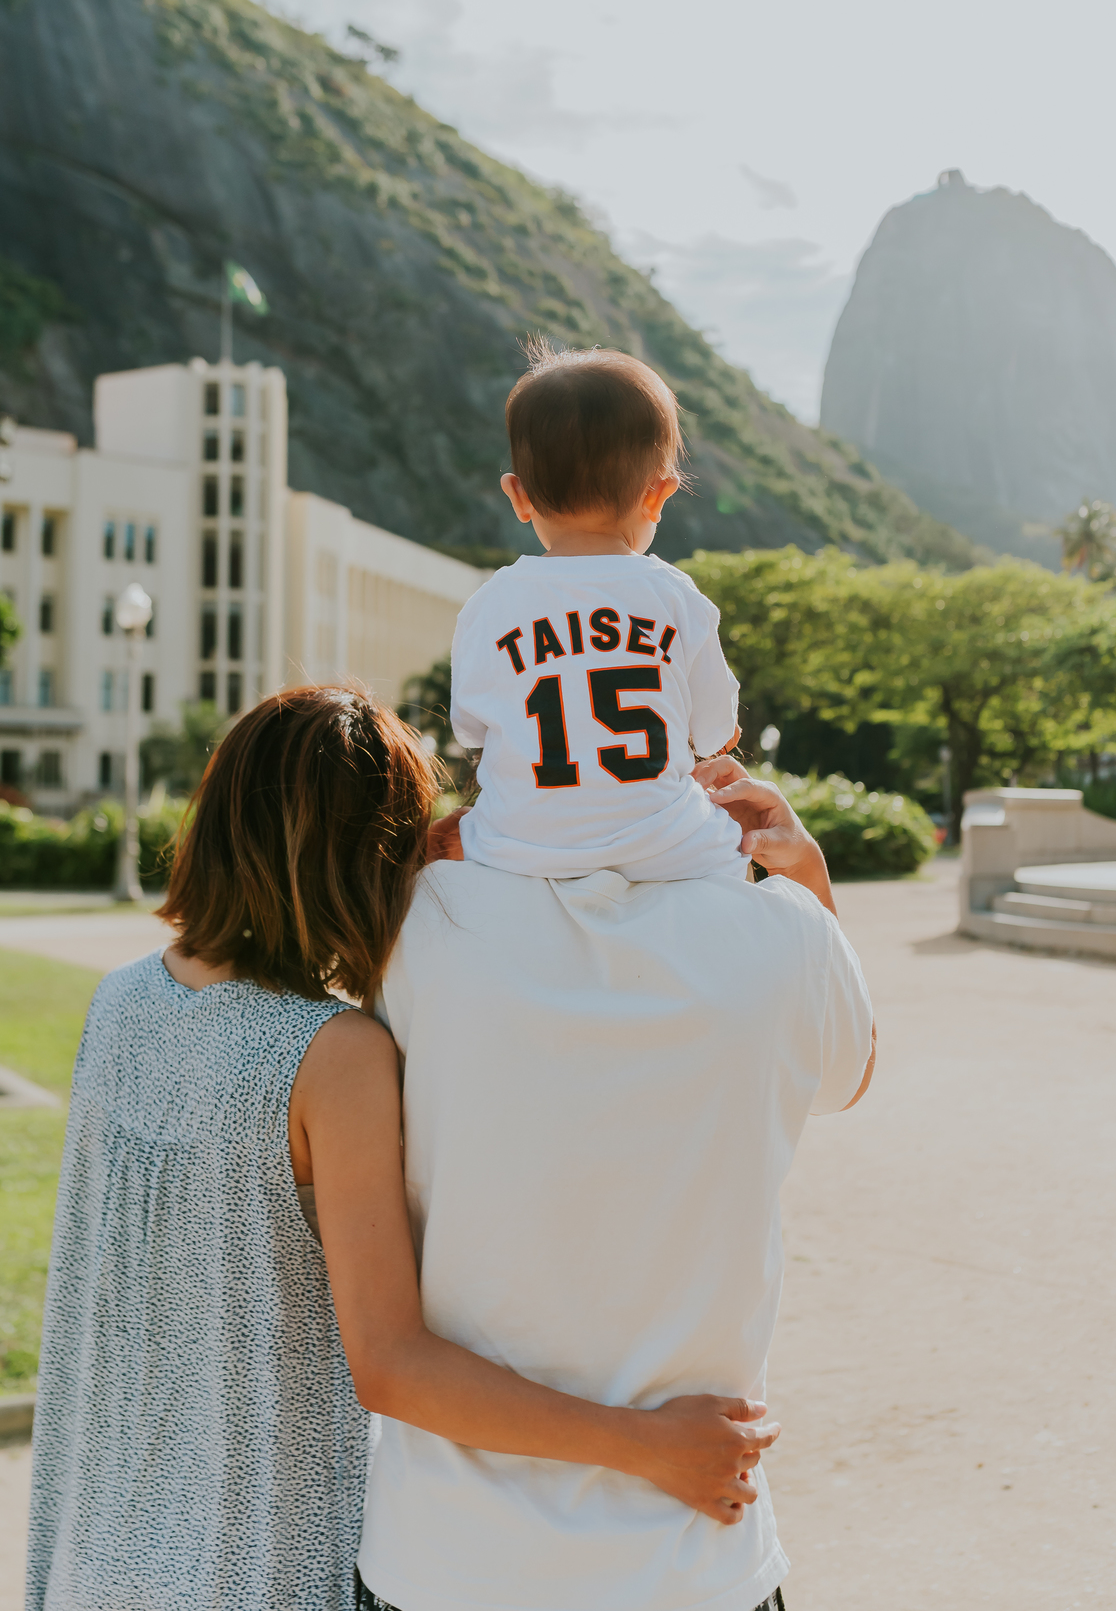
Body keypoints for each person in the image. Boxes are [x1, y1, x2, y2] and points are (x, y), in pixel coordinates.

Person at [25, 688, 781, 1611]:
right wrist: (650, 1445)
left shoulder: (122, 1004)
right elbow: (391, 1364)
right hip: (258, 1562)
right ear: (365, 857)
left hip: (105, 1550)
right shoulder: (330, 1056)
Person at [357, 755, 876, 1611]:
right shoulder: (785, 934)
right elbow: (850, 1070)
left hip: (452, 1559)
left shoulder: (416, 927)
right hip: (693, 1558)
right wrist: (806, 874)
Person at [449, 340, 747, 881]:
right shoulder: (677, 597)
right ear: (658, 495)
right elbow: (714, 733)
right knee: (739, 840)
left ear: (518, 496)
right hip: (671, 853)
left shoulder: (489, 605)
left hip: (518, 856)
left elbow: (471, 730)